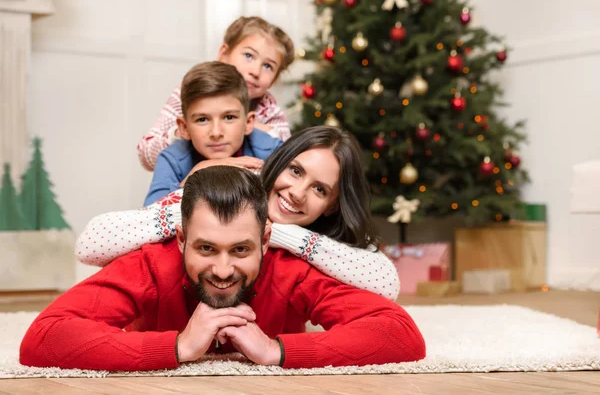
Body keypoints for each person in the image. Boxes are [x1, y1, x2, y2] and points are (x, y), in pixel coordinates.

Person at [20, 166, 426, 371]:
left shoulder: (287, 268)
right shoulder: (151, 261)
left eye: (241, 250)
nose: (223, 268)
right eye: (206, 248)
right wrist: (176, 346)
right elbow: (43, 338)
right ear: (180, 240)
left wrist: (277, 350)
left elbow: (400, 334)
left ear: (266, 242)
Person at [77, 126, 401, 300]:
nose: (297, 193)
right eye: (295, 171)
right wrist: (196, 214)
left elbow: (387, 284)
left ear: (332, 204)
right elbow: (89, 245)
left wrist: (283, 235)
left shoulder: (318, 232)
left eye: (320, 189)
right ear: (279, 160)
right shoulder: (232, 183)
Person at [138, 16, 295, 172]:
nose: (255, 71)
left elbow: (287, 158)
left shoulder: (268, 107)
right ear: (223, 53)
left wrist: (254, 129)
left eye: (268, 66)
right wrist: (186, 133)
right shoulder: (194, 92)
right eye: (248, 55)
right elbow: (145, 154)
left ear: (273, 80)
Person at [144, 61, 282, 206]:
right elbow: (149, 219)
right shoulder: (172, 159)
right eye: (202, 119)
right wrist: (198, 172)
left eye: (229, 117)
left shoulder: (271, 151)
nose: (216, 132)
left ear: (248, 123)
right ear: (184, 128)